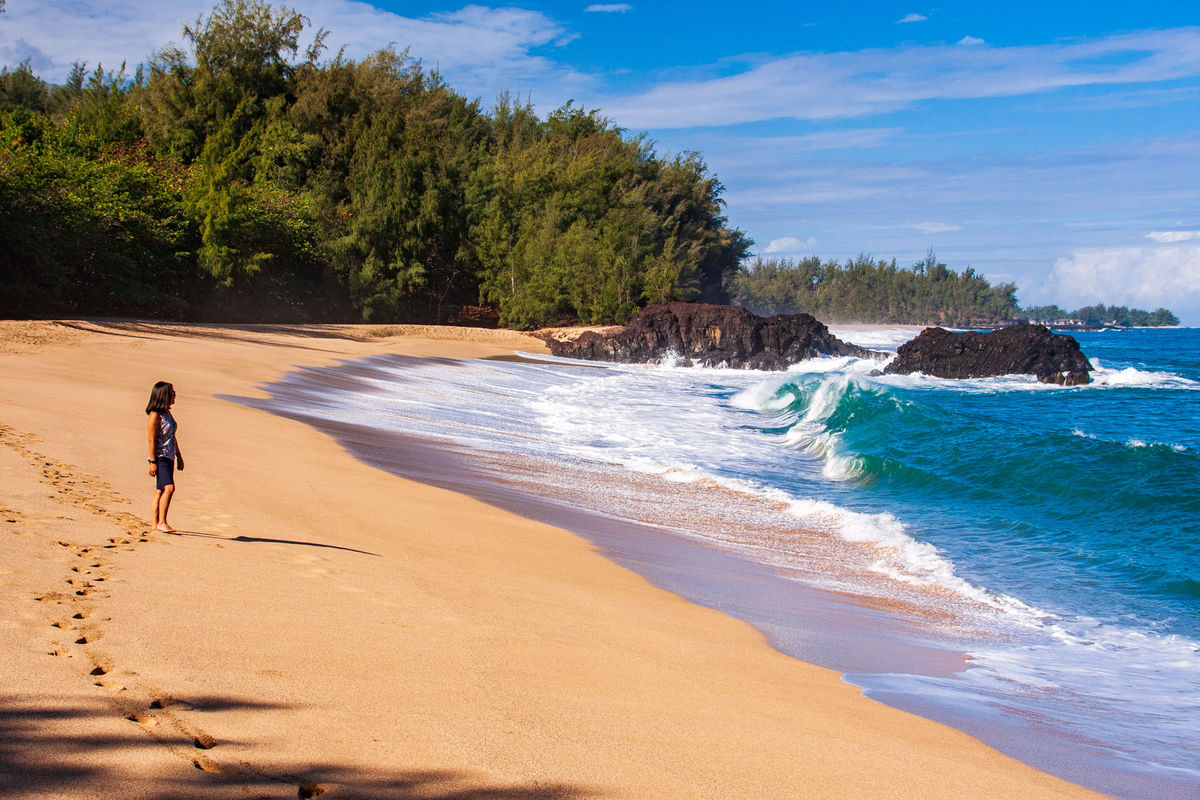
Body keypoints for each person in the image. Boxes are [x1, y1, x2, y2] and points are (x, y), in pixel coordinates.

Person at [146, 381, 184, 532]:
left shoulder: (167, 413)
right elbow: (151, 440)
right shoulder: (154, 416)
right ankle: (162, 521)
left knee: (160, 490)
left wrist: (179, 455)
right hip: (160, 456)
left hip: (169, 455)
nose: (175, 396)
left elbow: (172, 437)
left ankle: (155, 524)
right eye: (172, 393)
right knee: (169, 488)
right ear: (164, 395)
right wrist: (152, 462)